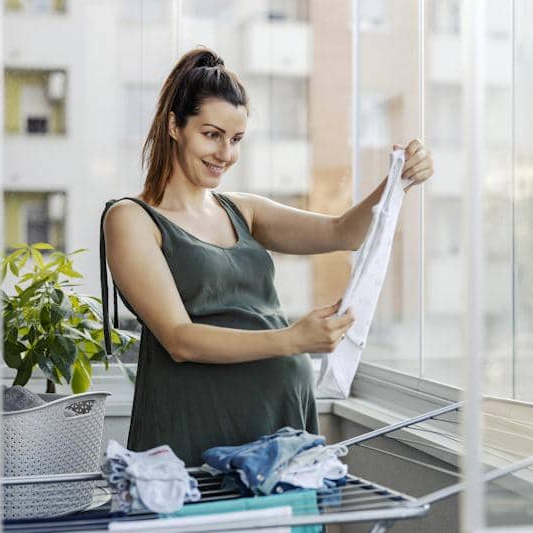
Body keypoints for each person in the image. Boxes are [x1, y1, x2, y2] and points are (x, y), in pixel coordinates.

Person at [103, 47, 434, 466]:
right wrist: (293, 340)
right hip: (192, 427)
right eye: (211, 134)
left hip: (280, 425)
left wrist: (396, 181)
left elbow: (343, 232)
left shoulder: (242, 210)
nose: (226, 153)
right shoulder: (131, 219)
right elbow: (179, 338)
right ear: (174, 126)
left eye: (236, 139)